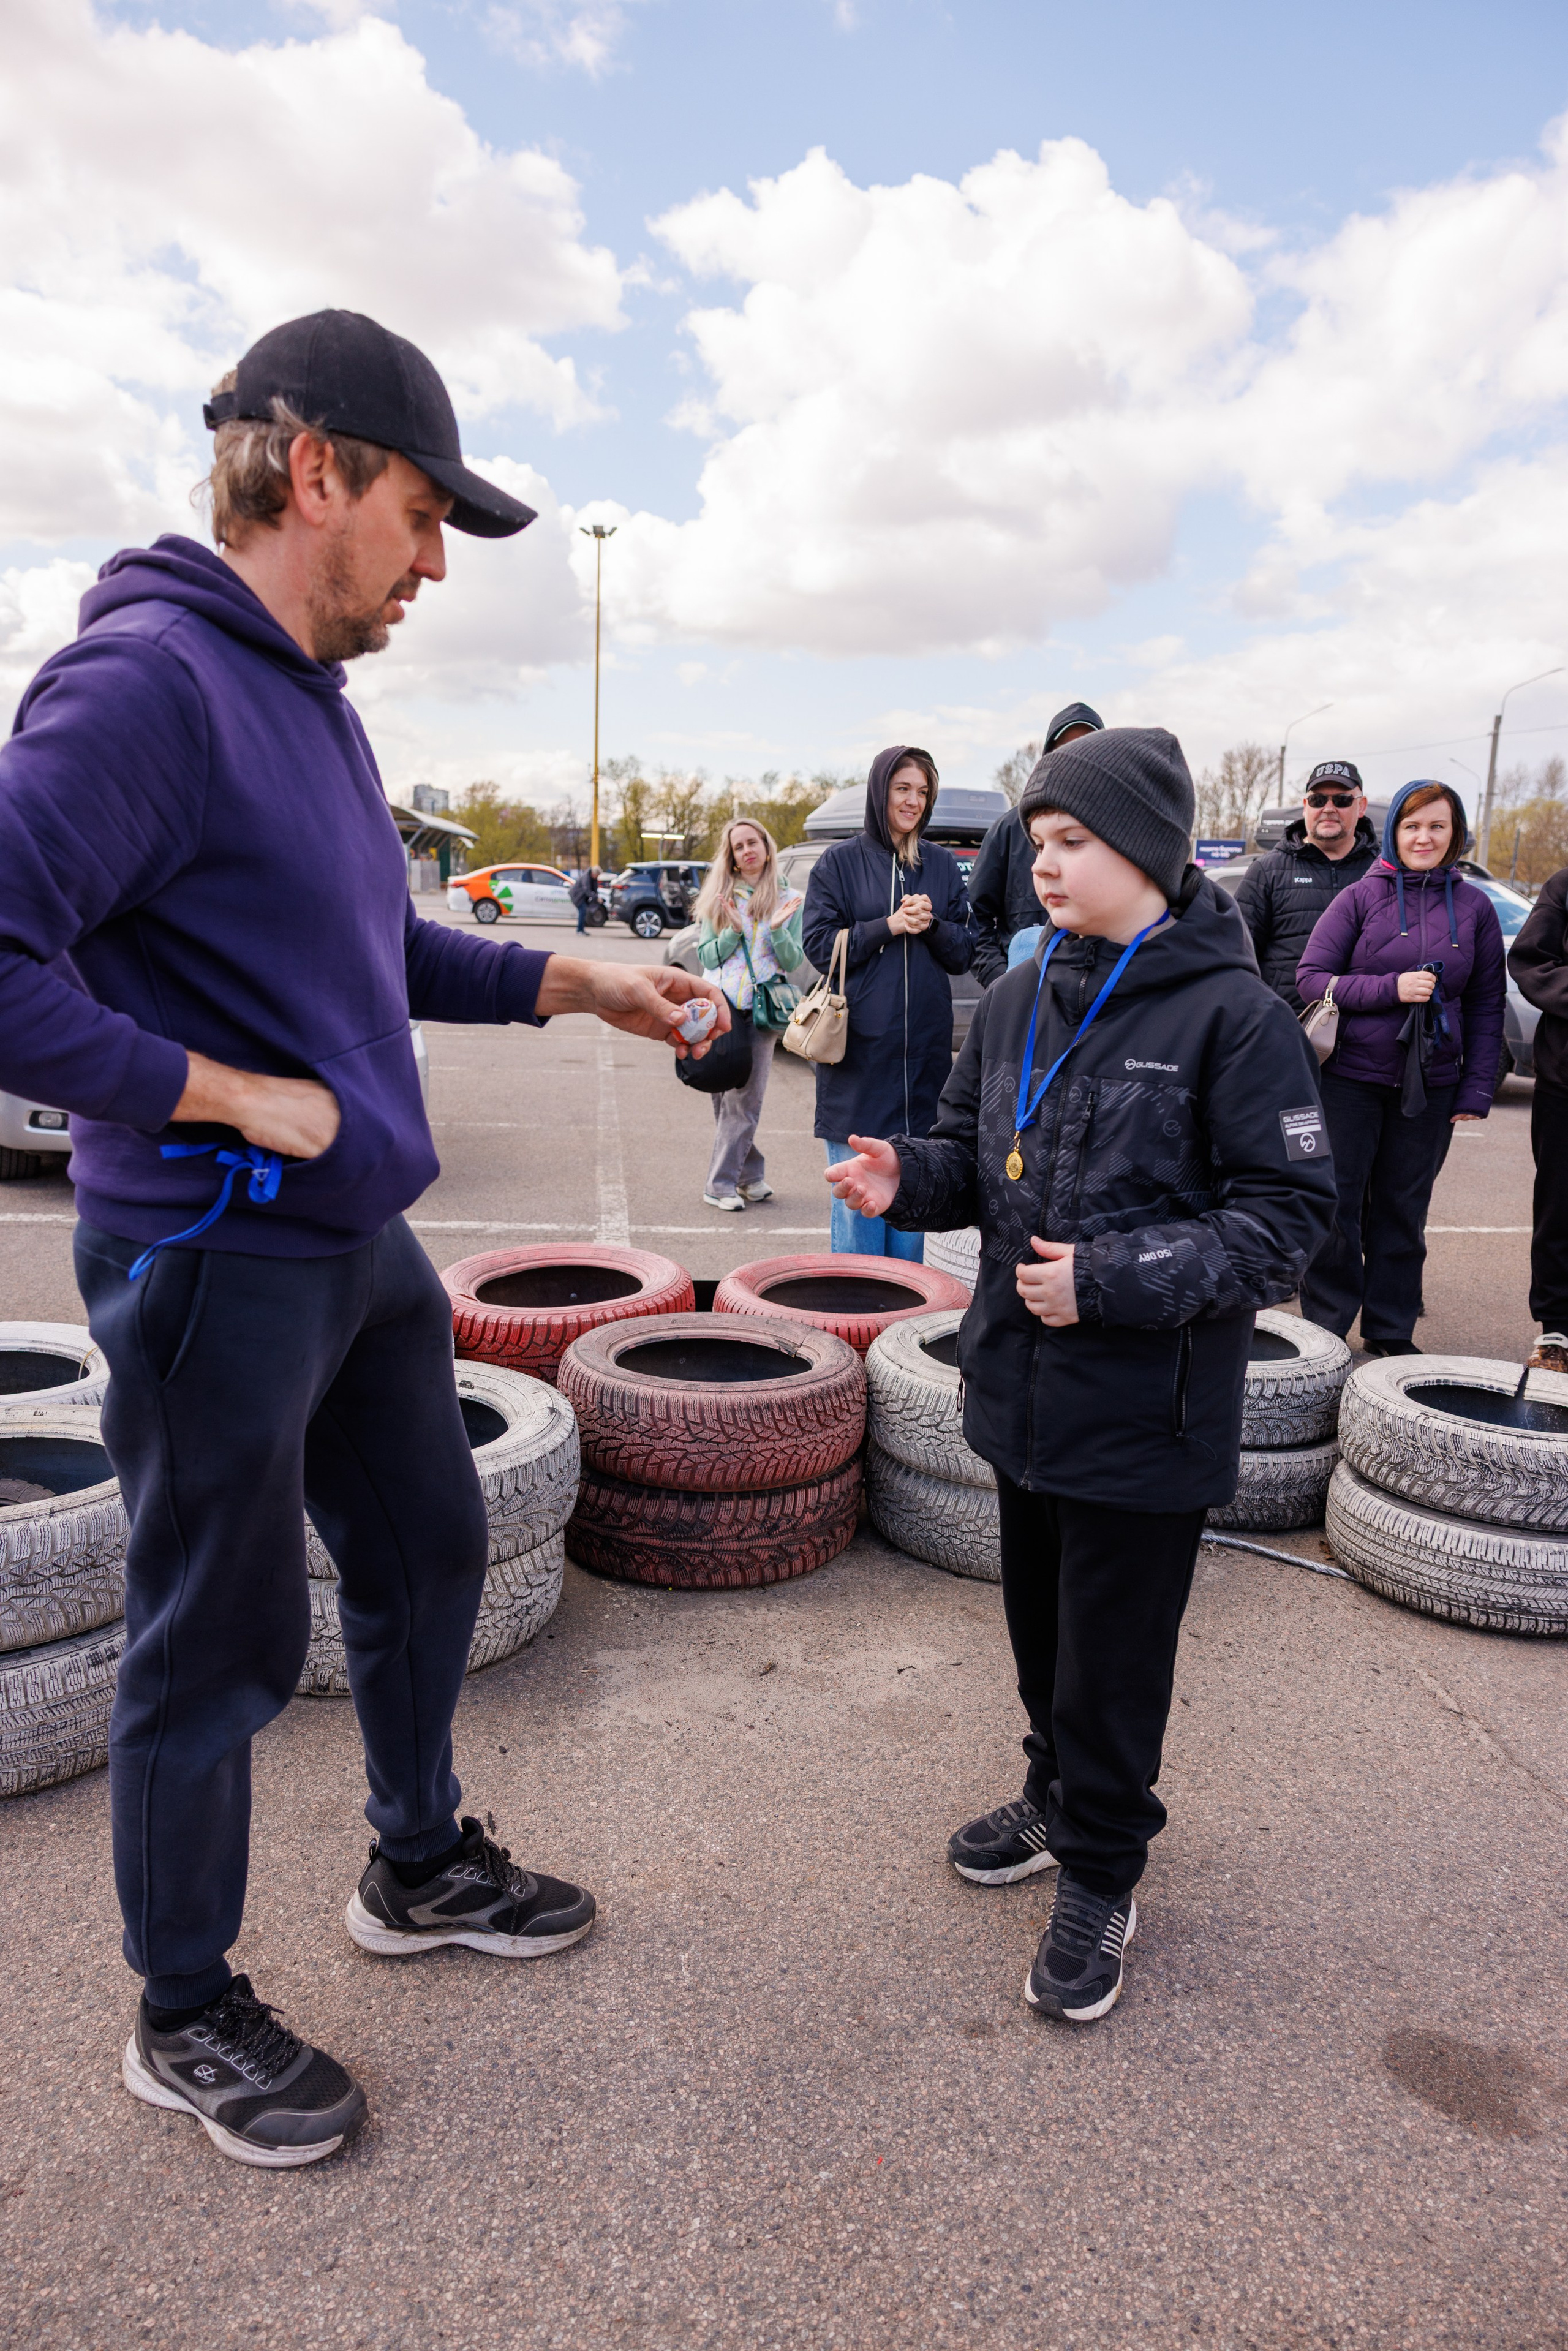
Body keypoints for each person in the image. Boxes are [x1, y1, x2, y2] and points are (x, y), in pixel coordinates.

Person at [0, 309, 727, 2170]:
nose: (427, 569)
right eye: (416, 518)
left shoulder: (306, 701)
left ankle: (414, 1862)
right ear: (307, 470)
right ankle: (186, 2008)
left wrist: (569, 976)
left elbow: (362, 947)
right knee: (215, 1644)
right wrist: (216, 1094)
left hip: (351, 1248)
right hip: (214, 1258)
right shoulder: (147, 684)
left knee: (424, 1548)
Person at [825, 729, 1335, 2022]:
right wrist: (905, 1174)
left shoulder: (1237, 1015)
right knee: (1041, 1635)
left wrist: (1106, 1278)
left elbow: (1285, 1215)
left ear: (1148, 852)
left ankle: (1103, 1869)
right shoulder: (1009, 995)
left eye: (1072, 843)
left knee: (1112, 1660)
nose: (1043, 866)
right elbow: (961, 1152)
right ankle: (1053, 1797)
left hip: (1143, 1416)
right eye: (1036, 844)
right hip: (1016, 1392)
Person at [1297, 781, 1506, 1356]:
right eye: (1413, 826)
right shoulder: (1362, 898)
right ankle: (1326, 1328)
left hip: (1432, 1084)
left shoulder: (1476, 907)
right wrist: (1392, 988)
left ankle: (1390, 1330)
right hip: (1349, 1081)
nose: (1424, 837)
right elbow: (1313, 979)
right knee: (1337, 1204)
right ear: (1395, 832)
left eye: (1437, 827)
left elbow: (1488, 1005)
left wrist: (1476, 1088)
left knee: (1404, 1206)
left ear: (1454, 834)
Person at [802, 746, 974, 1259]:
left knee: (912, 1211)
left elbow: (965, 953)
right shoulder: (839, 862)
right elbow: (818, 945)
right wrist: (888, 926)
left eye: (923, 792)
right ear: (881, 792)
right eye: (903, 789)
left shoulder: (942, 866)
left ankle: (902, 1331)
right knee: (858, 1219)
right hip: (858, 1065)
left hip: (923, 1070)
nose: (914, 801)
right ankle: (855, 1326)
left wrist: (934, 925)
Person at [693, 818, 804, 1211]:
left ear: (767, 847)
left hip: (762, 1012)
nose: (747, 851)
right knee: (722, 1097)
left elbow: (793, 960)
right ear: (733, 858)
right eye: (738, 847)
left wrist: (777, 930)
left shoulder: (790, 898)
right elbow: (706, 956)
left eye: (752, 842)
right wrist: (733, 930)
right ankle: (751, 1174)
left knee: (746, 1101)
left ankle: (719, 1185)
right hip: (720, 1007)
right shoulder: (720, 898)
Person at [967, 703, 1102, 984]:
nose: (1075, 761)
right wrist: (1000, 981)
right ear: (1048, 758)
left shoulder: (1120, 830)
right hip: (1028, 999)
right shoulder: (1008, 830)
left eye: (1087, 749)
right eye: (1065, 751)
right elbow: (973, 916)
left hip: (1102, 997)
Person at [1233, 760, 1380, 1011]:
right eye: (1318, 800)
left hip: (1367, 1031)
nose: (1329, 809)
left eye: (1342, 800)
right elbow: (1236, 956)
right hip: (1288, 1029)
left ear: (1361, 806)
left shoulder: (1383, 871)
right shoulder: (1268, 871)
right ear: (1305, 807)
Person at [1504, 862, 1568, 1369]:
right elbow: (1530, 962)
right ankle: (1557, 1331)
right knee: (1560, 1208)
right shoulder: (1563, 886)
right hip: (1564, 1083)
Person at [570, 862, 600, 934]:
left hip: (582, 897)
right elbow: (587, 890)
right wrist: (596, 898)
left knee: (584, 912)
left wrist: (596, 896)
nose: (597, 877)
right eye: (597, 876)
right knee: (583, 911)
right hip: (577, 897)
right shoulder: (586, 877)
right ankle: (580, 930)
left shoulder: (592, 878)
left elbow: (595, 889)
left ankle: (581, 929)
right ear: (594, 874)